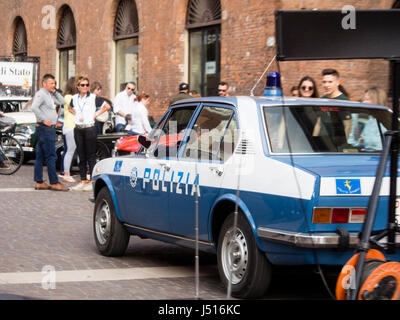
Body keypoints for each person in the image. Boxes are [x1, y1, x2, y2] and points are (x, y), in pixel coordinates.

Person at [68, 75, 111, 191]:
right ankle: (83, 180)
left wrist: (96, 114)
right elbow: (69, 108)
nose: (85, 87)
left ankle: (92, 181)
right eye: (82, 85)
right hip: (78, 128)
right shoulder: (74, 98)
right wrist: (77, 114)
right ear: (78, 86)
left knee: (91, 156)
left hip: (90, 128)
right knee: (81, 156)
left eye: (87, 85)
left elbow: (107, 106)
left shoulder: (93, 97)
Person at [31, 74, 69, 191]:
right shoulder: (41, 94)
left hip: (47, 129)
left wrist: (55, 91)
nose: (54, 85)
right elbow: (34, 107)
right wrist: (43, 120)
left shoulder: (49, 94)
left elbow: (62, 101)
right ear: (44, 83)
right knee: (51, 156)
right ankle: (54, 182)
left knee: (40, 155)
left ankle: (39, 181)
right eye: (51, 83)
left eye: (55, 83)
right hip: (45, 129)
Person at [58, 77, 77, 183]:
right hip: (71, 126)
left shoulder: (66, 96)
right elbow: (73, 110)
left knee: (69, 150)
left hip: (68, 126)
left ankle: (66, 172)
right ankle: (66, 173)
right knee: (70, 150)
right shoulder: (70, 97)